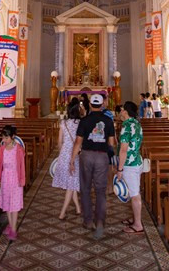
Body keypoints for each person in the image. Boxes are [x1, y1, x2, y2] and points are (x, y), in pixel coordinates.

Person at [70, 93, 116, 240]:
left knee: (85, 188)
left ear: (90, 104)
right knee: (101, 190)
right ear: (102, 105)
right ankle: (100, 221)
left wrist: (72, 160)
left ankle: (88, 220)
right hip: (102, 156)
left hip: (87, 156)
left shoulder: (84, 120)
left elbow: (78, 142)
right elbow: (111, 143)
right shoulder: (108, 120)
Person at [116, 102, 143, 234]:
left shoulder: (126, 126)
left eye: (122, 110)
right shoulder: (136, 123)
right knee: (134, 191)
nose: (120, 112)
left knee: (134, 194)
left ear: (126, 112)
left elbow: (123, 150)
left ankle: (138, 225)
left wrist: (120, 169)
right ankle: (135, 218)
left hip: (129, 165)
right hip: (137, 161)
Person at [52, 103, 82, 220]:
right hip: (75, 154)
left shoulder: (63, 123)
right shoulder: (80, 123)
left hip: (64, 154)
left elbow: (59, 141)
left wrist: (61, 154)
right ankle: (62, 213)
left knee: (71, 182)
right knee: (71, 183)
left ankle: (78, 208)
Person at [0, 125, 25, 241]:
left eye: (6, 138)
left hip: (15, 178)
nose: (4, 140)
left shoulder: (19, 149)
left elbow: (22, 166)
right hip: (5, 178)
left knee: (15, 204)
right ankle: (10, 225)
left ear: (13, 136)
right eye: (3, 137)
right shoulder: (2, 148)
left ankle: (13, 229)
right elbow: (0, 164)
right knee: (7, 203)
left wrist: (22, 180)